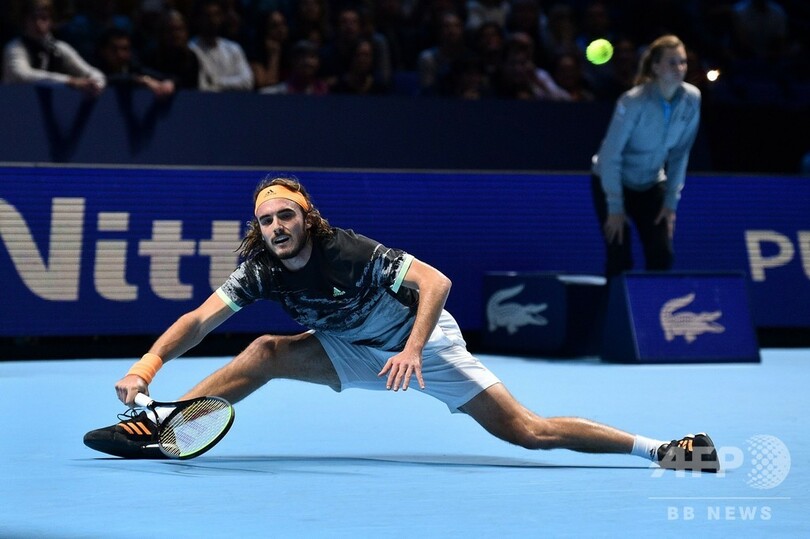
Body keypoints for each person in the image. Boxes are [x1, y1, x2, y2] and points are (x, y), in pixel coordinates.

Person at [84, 174, 718, 473]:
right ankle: (162, 426)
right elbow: (199, 319)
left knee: (529, 431)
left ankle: (664, 450)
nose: (276, 227)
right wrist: (147, 364)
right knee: (266, 350)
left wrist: (413, 349)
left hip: (424, 344)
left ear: (306, 217)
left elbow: (435, 282)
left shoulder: (347, 251)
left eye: (286, 216)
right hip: (348, 347)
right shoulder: (261, 270)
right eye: (266, 220)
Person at [591, 34, 700, 277]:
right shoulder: (633, 101)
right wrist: (615, 206)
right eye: (672, 62)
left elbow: (680, 153)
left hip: (651, 184)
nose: (679, 68)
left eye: (682, 62)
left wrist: (670, 203)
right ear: (656, 67)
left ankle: (655, 302)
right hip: (612, 182)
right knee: (620, 257)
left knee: (662, 254)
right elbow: (611, 155)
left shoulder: (693, 99)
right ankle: (613, 302)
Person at [2, 0, 105, 97]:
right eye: (33, 18)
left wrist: (96, 85)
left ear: (51, 21)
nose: (38, 24)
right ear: (24, 21)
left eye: (44, 18)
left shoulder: (60, 48)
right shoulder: (14, 48)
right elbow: (22, 75)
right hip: (15, 104)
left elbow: (94, 73)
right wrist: (69, 81)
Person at [188, 0, 253, 92]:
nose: (212, 20)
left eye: (216, 15)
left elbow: (247, 82)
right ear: (198, 19)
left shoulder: (233, 48)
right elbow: (203, 87)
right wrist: (232, 83)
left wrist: (216, 81)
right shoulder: (192, 49)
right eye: (207, 16)